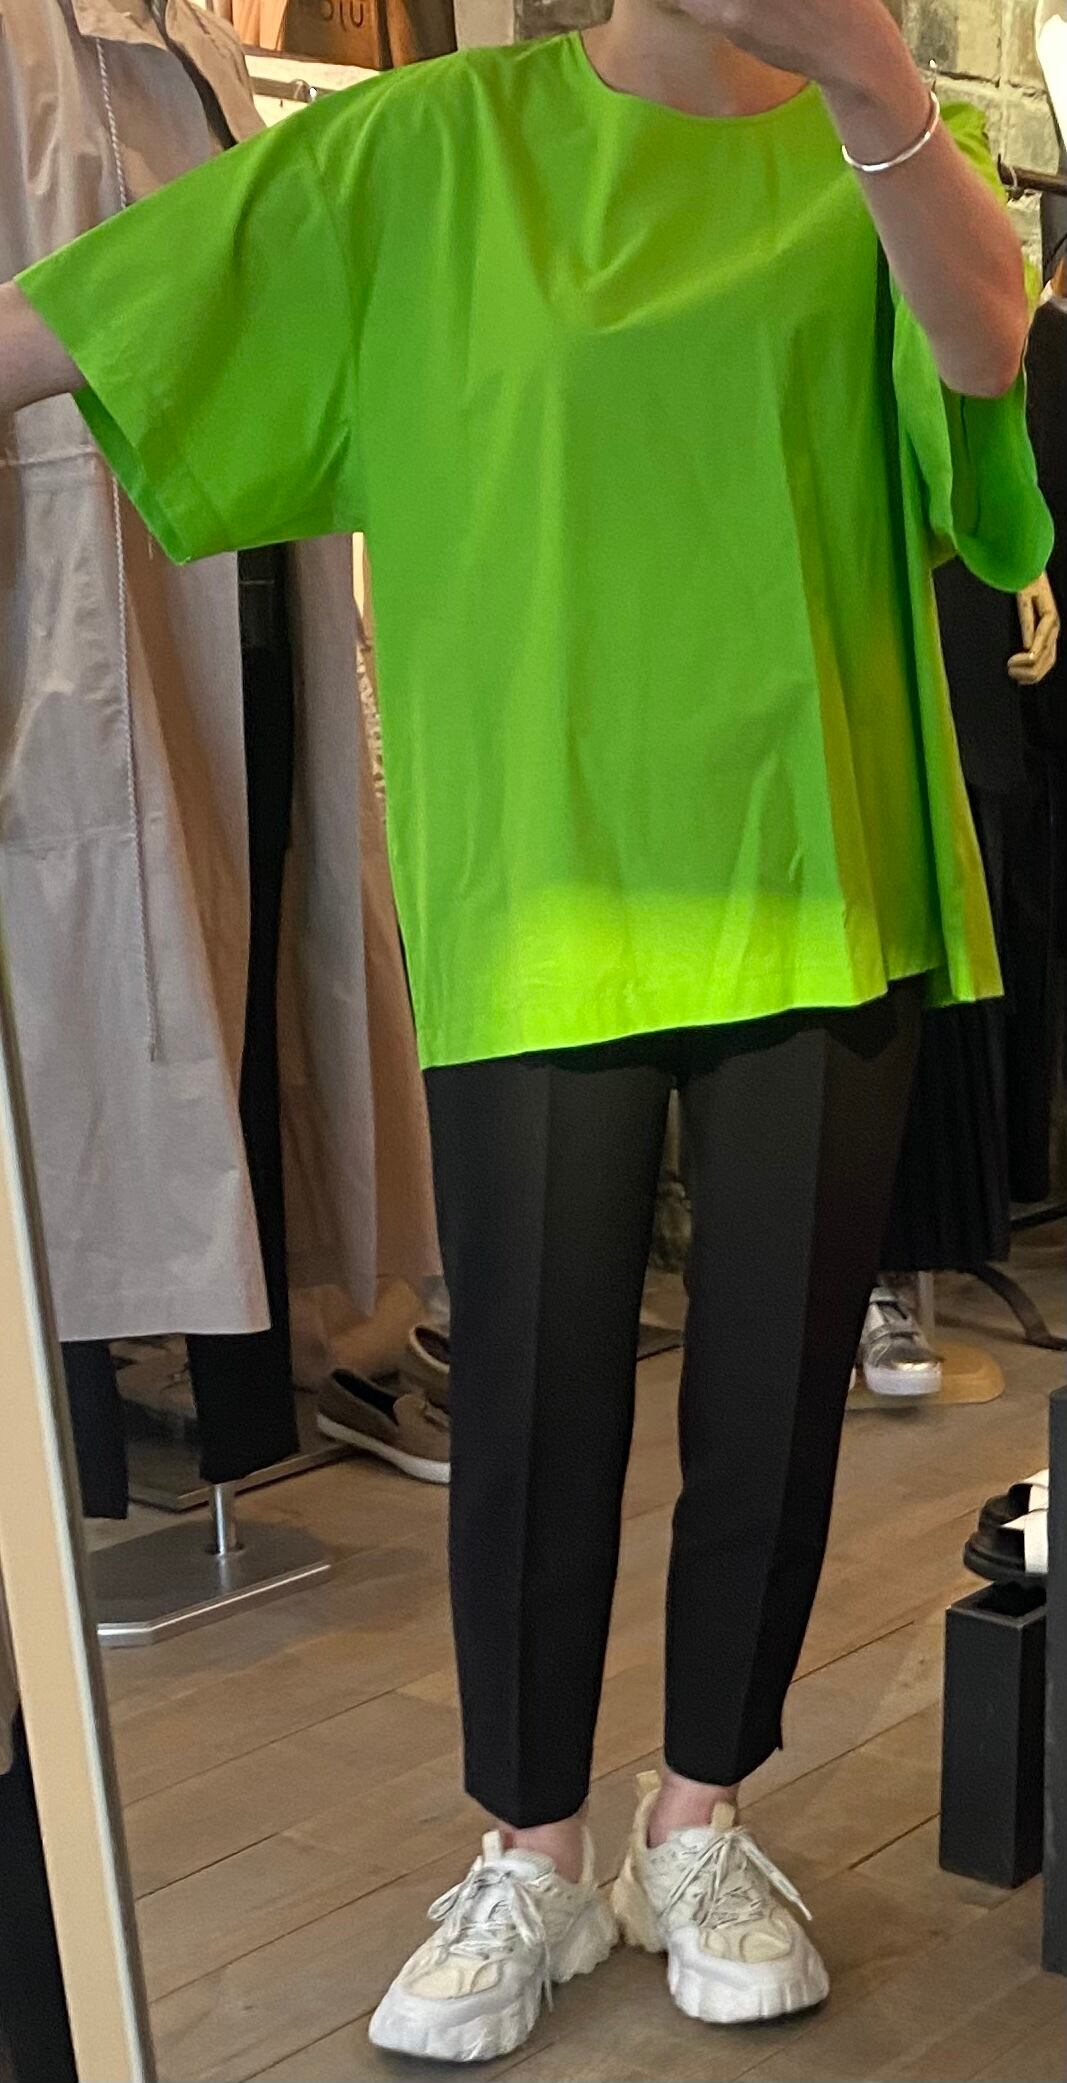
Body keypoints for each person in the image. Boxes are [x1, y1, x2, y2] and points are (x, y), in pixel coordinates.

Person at [0, 0, 1051, 2058]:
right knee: (540, 1395)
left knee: (775, 1390)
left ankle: (702, 1815)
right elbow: (89, 315)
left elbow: (988, 366)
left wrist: (875, 83)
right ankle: (529, 1846)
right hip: (542, 881)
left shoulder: (881, 146)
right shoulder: (418, 154)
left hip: (815, 861)